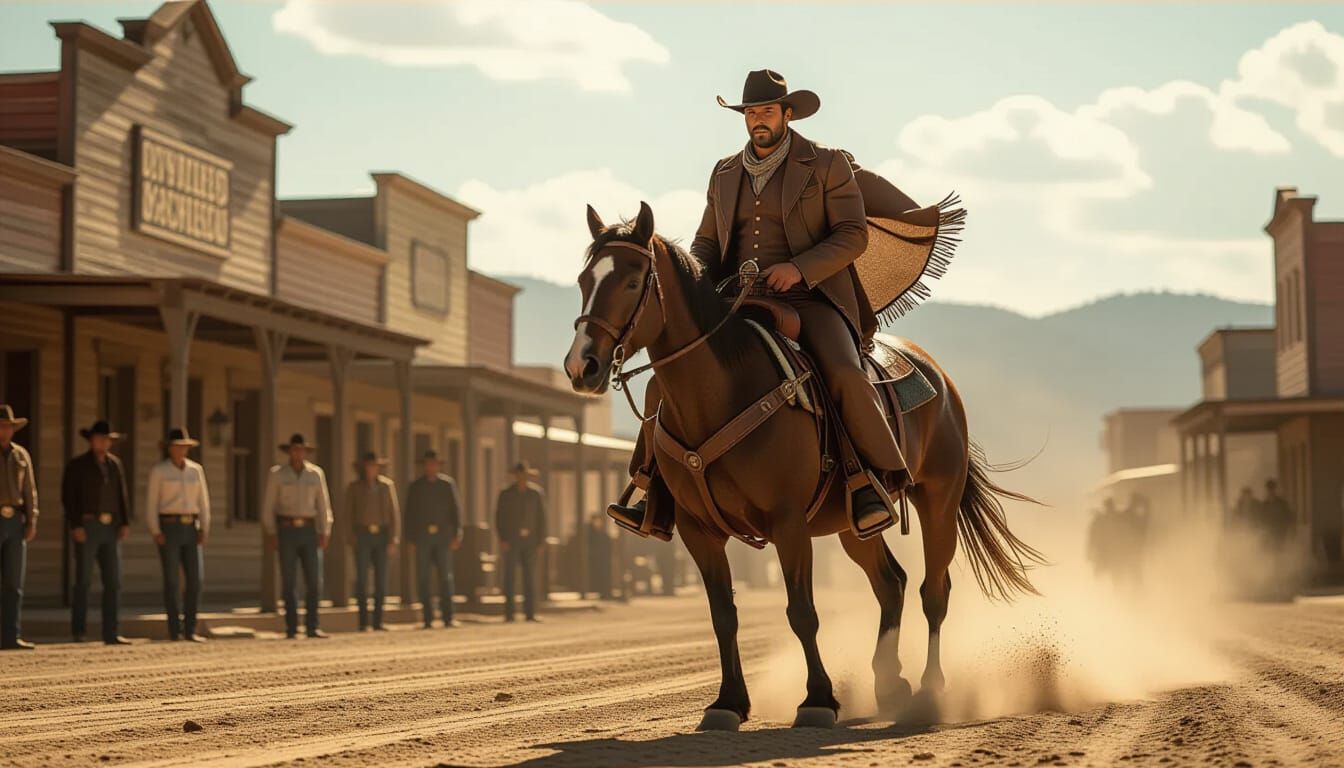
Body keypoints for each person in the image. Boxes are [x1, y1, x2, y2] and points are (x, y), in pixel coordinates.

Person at [608, 68, 909, 540]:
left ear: (787, 114)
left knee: (845, 374)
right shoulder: (724, 172)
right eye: (750, 113)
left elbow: (853, 235)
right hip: (735, 300)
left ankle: (871, 480)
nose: (757, 120)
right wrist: (697, 282)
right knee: (662, 383)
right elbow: (707, 242)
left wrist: (800, 268)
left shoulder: (827, 164)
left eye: (766, 111)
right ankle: (653, 492)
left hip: (812, 298)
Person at [63, 420, 132, 645]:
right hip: (88, 524)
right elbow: (69, 498)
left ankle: (111, 632)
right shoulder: (77, 465)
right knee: (83, 580)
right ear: (91, 440)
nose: (103, 442)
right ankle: (79, 631)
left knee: (113, 581)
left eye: (106, 439)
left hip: (110, 526)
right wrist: (76, 525)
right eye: (99, 438)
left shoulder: (115, 465)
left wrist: (124, 522)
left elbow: (122, 495)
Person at [261, 434, 333, 639]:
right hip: (287, 529)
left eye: (301, 450)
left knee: (314, 580)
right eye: (294, 449)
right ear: (289, 452)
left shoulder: (315, 474)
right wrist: (272, 532)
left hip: (309, 530)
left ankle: (313, 625)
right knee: (289, 580)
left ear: (305, 452)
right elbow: (269, 506)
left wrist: (325, 530)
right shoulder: (277, 474)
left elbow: (323, 505)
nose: (297, 453)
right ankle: (291, 626)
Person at [145, 428, 210, 642]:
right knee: (172, 580)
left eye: (184, 446)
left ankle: (190, 628)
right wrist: (155, 530)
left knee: (195, 579)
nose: (181, 450)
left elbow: (203, 501)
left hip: (191, 526)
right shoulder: (160, 471)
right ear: (169, 448)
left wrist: (204, 528)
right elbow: (152, 503)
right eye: (177, 446)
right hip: (169, 527)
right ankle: (175, 629)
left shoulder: (195, 471)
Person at [405, 450, 462, 629]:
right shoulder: (416, 486)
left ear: (438, 465)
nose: (431, 467)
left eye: (433, 463)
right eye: (428, 463)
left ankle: (448, 616)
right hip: (422, 537)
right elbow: (409, 514)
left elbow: (455, 510)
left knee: (445, 577)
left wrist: (457, 533)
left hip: (443, 537)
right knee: (423, 578)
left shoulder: (447, 485)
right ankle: (427, 618)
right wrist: (410, 538)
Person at [346, 451, 399, 631]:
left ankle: (378, 620)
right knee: (361, 579)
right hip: (362, 535)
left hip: (382, 535)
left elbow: (394, 514)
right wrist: (351, 536)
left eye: (374, 466)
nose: (371, 469)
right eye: (368, 465)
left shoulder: (386, 486)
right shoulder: (354, 487)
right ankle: (363, 622)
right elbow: (348, 514)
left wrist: (393, 538)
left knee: (381, 580)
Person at [0, 405, 37, 650]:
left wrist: (32, 519)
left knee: (14, 580)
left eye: (8, 427)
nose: (4, 431)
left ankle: (11, 635)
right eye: (1, 426)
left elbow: (30, 490)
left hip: (15, 519)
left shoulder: (21, 455)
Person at [496, 461, 547, 623]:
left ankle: (530, 613)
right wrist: (502, 538)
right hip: (511, 540)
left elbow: (542, 518)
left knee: (530, 577)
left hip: (531, 541)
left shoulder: (536, 494)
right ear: (515, 476)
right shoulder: (506, 494)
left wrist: (541, 541)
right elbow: (499, 517)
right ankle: (509, 613)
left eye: (523, 475)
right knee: (510, 576)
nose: (521, 478)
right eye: (518, 475)